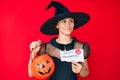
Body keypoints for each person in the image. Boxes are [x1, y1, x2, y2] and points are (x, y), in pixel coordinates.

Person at [28, 1, 90, 80]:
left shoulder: (80, 46)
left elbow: (86, 72)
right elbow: (31, 73)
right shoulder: (47, 48)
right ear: (57, 25)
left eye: (71, 21)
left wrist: (81, 69)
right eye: (64, 21)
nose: (68, 25)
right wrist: (33, 53)